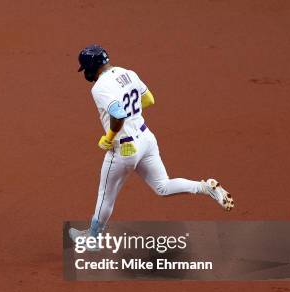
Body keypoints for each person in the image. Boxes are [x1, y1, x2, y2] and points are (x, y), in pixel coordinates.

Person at [69, 44, 234, 244]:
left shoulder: (100, 88)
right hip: (146, 139)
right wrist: (132, 115)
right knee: (163, 186)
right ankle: (205, 187)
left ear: (91, 68)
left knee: (106, 195)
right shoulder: (128, 73)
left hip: (125, 148)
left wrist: (109, 137)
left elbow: (119, 114)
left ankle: (92, 239)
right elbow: (149, 99)